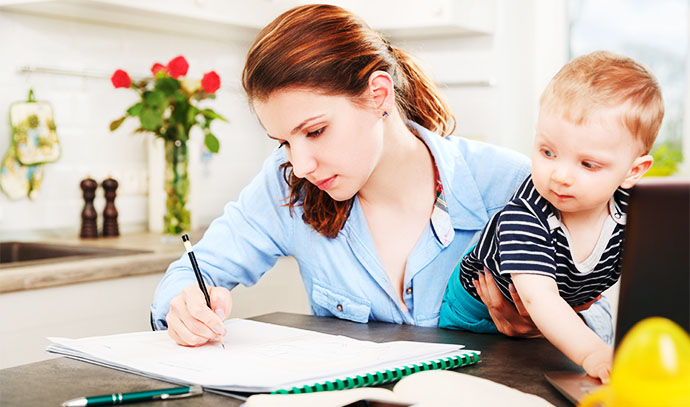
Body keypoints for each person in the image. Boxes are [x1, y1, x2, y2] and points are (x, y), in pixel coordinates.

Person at [150, 4, 613, 347]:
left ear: (378, 94)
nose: (302, 164)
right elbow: (192, 273)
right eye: (284, 142)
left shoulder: (514, 186)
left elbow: (611, 323)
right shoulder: (285, 183)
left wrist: (546, 327)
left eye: (315, 130)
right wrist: (185, 303)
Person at [440, 51, 664, 382]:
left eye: (587, 164)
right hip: (477, 314)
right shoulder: (525, 216)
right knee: (495, 373)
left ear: (633, 171)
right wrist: (593, 353)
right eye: (548, 152)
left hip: (553, 313)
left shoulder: (634, 213)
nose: (560, 175)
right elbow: (539, 298)